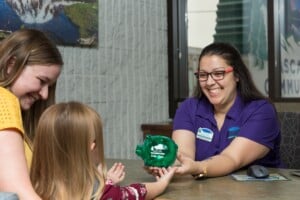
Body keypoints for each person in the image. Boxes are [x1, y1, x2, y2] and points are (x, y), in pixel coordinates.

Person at [172, 42, 284, 178]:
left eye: (218, 73)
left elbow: (231, 159)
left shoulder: (261, 111)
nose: (209, 82)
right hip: (202, 192)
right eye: (203, 75)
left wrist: (197, 167)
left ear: (237, 75)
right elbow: (182, 156)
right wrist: (166, 167)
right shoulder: (188, 108)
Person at [30, 101, 176, 200]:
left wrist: (106, 180)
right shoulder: (105, 194)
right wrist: (162, 183)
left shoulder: (31, 189)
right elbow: (139, 192)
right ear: (92, 146)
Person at [0, 28, 63, 199]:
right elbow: (19, 194)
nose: (45, 95)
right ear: (11, 65)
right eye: (42, 81)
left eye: (49, 87)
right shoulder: (3, 99)